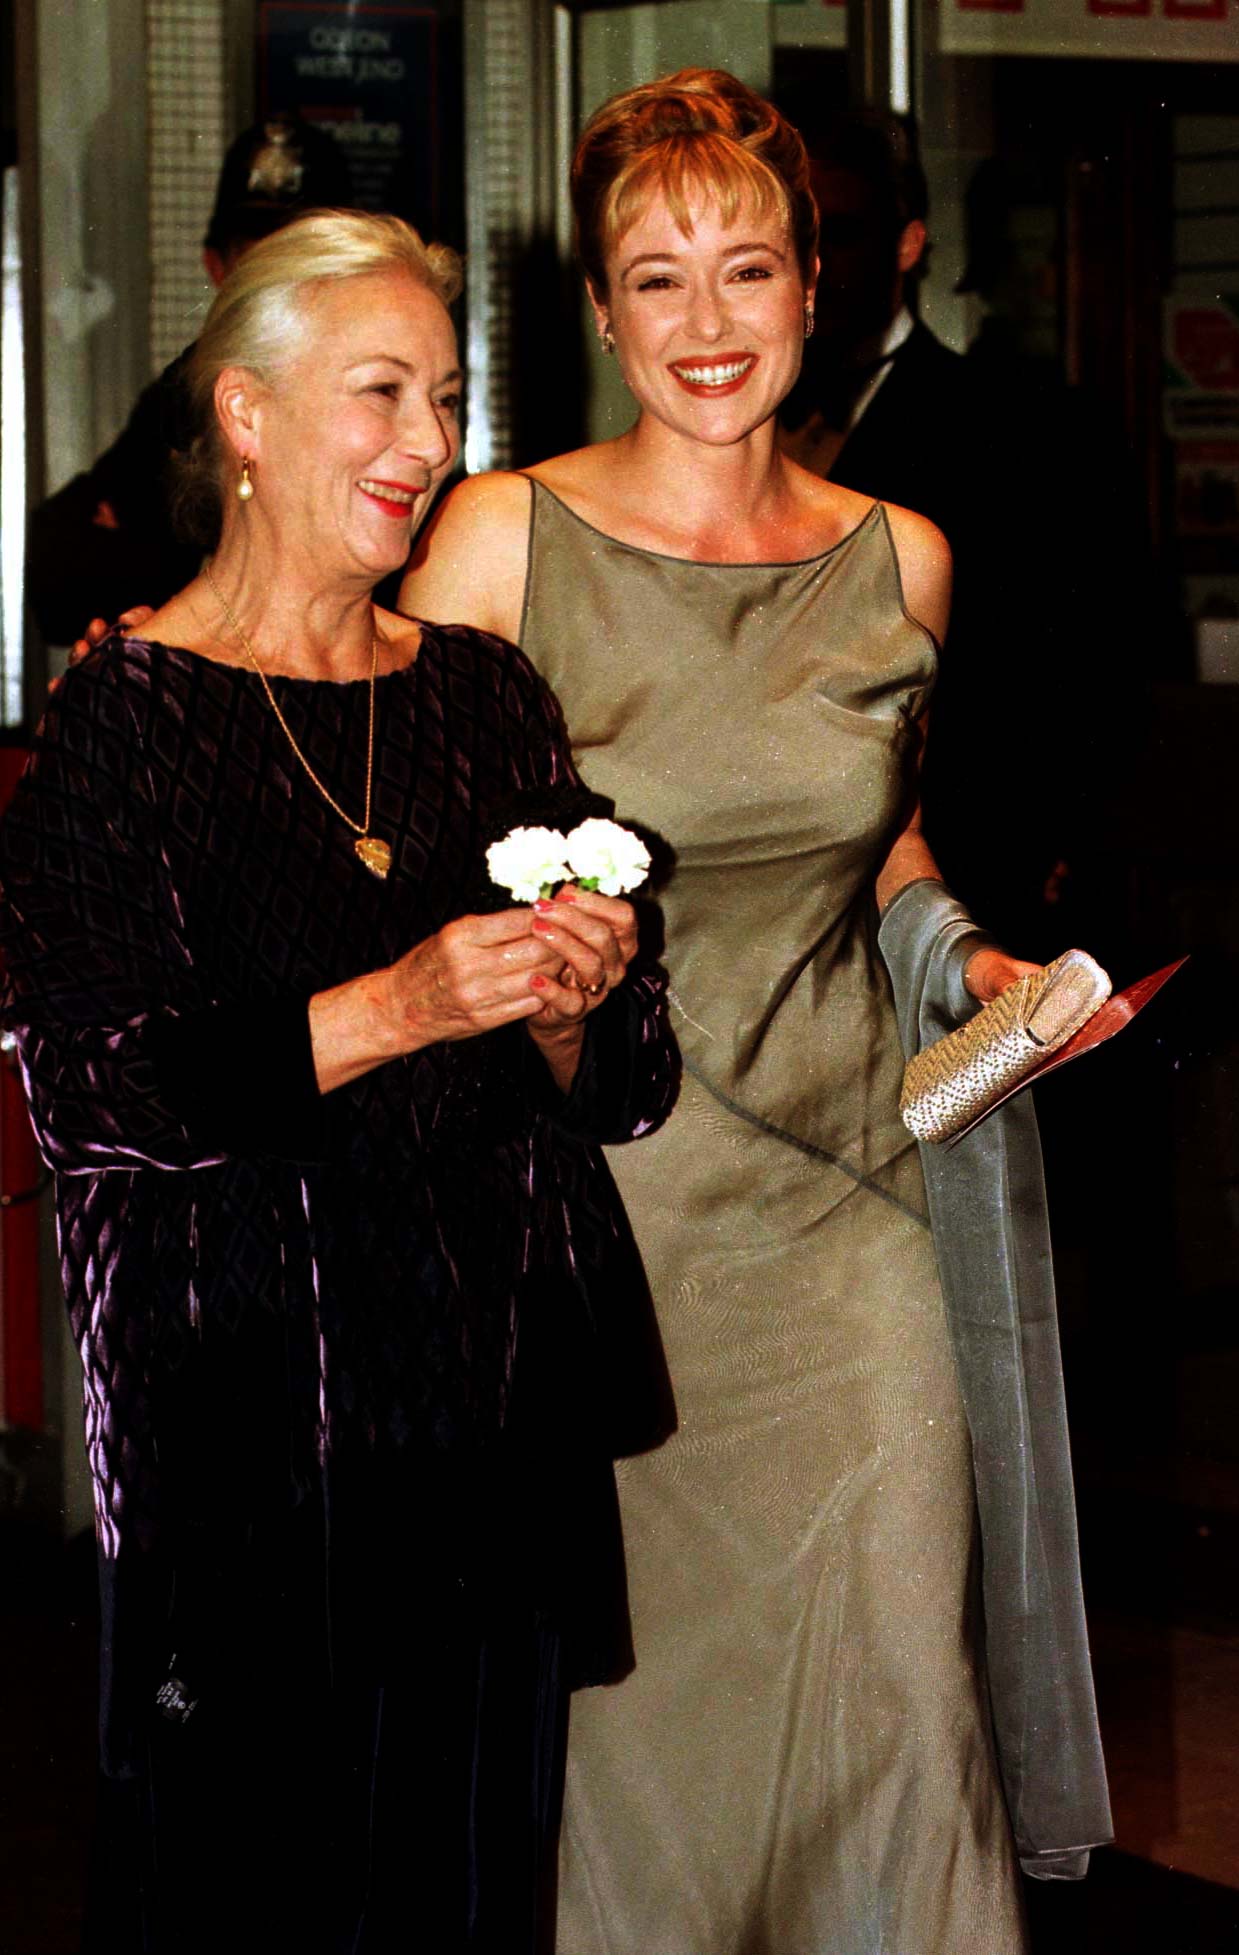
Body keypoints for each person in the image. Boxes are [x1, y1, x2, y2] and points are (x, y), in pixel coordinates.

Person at [403, 69, 1112, 1954]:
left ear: (818, 287)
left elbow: (870, 844)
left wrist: (967, 963)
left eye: (742, 272)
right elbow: (380, 832)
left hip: (851, 1215)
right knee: (640, 1742)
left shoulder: (902, 560)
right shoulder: (499, 542)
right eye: (656, 281)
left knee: (894, 1695)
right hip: (604, 1225)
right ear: (600, 311)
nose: (704, 326)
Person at [0, 209, 679, 1954]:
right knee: (248, 1899)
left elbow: (622, 1086)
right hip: (248, 1454)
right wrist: (400, 999)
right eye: (380, 393)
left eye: (445, 399)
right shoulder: (124, 723)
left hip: (488, 1435)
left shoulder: (483, 699)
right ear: (244, 416)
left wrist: (559, 1005)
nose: (429, 445)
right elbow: (95, 1093)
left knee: (468, 1895)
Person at [777, 108, 1158, 957]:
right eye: (791, 239)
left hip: (961, 893)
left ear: (908, 245)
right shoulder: (730, 427)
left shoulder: (1032, 430)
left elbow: (1097, 675)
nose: (812, 269)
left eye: (839, 234)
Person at [26, 113, 355, 644]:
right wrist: (208, 572)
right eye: (258, 258)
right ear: (217, 268)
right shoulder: (190, 389)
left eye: (300, 258)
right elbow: (55, 574)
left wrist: (180, 561)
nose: (278, 286)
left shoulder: (377, 388)